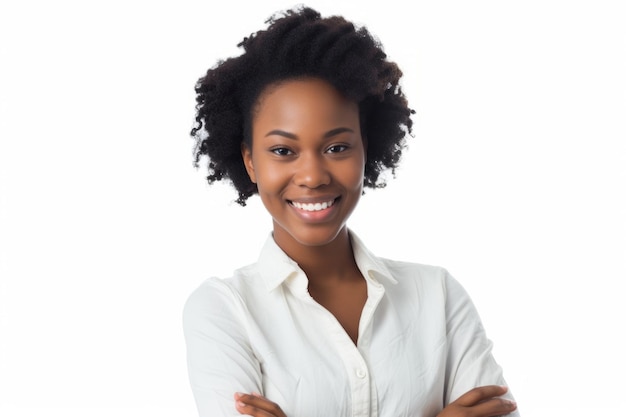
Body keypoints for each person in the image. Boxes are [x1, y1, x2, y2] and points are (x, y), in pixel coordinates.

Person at [183, 6, 520, 417]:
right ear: (251, 161)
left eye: (337, 147)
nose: (312, 176)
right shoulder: (224, 310)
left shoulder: (438, 296)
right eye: (283, 151)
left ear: (367, 148)